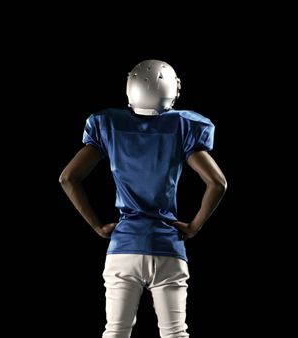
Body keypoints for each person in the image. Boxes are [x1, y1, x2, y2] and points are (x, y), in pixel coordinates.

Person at [59, 59, 227, 338]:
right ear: (172, 89)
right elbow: (218, 183)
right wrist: (195, 226)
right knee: (176, 333)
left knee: (116, 331)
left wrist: (97, 226)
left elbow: (68, 178)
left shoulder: (108, 124)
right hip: (168, 246)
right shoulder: (183, 127)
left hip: (124, 246)